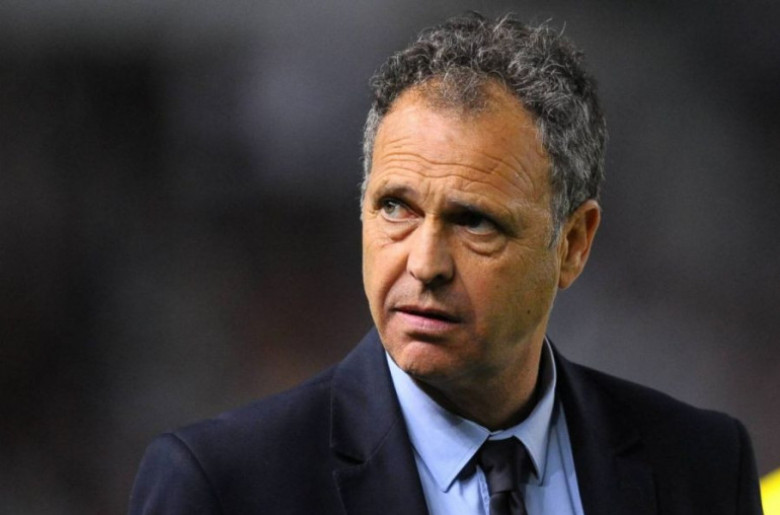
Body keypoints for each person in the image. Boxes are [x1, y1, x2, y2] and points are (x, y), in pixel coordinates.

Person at [129, 12, 763, 514]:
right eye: (395, 208)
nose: (425, 263)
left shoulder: (703, 466)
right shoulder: (222, 486)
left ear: (573, 243)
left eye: (474, 221)